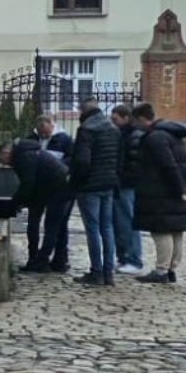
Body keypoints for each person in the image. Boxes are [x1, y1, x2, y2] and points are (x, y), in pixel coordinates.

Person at [130, 102, 186, 284]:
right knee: (176, 231)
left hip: (161, 190)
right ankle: (171, 269)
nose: (135, 125)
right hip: (177, 187)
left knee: (161, 231)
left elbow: (168, 165)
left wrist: (179, 188)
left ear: (142, 119)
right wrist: (183, 188)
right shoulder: (172, 134)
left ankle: (161, 270)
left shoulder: (155, 137)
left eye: (136, 121)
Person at [0, 136, 72, 276]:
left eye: (2, 160)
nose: (4, 164)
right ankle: (57, 261)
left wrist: (15, 203)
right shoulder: (28, 153)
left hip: (56, 189)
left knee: (51, 226)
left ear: (5, 153)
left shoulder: (23, 157)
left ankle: (41, 261)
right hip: (58, 186)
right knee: (57, 226)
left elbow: (27, 183)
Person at [67, 103, 121, 287]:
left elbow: (82, 161)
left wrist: (75, 183)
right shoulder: (113, 129)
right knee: (107, 228)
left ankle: (96, 272)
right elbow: (119, 158)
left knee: (93, 229)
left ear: (84, 112)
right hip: (109, 183)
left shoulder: (86, 129)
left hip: (89, 186)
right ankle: (108, 273)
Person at [110, 104, 147, 274]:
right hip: (122, 183)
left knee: (128, 222)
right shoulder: (124, 134)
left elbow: (133, 163)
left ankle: (133, 258)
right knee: (120, 223)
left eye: (116, 119)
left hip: (127, 184)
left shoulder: (132, 136)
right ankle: (124, 257)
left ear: (125, 118)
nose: (113, 122)